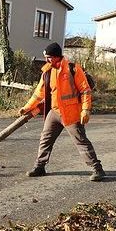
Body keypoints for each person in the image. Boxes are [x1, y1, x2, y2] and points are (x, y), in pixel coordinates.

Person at [19, 42, 105, 181]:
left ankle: (97, 169)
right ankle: (40, 167)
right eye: (46, 57)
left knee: (81, 141)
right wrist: (27, 107)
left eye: (49, 57)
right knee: (45, 139)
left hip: (71, 114)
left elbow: (85, 90)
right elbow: (38, 93)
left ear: (57, 56)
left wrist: (85, 110)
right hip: (55, 112)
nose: (47, 60)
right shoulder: (47, 71)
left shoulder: (73, 69)